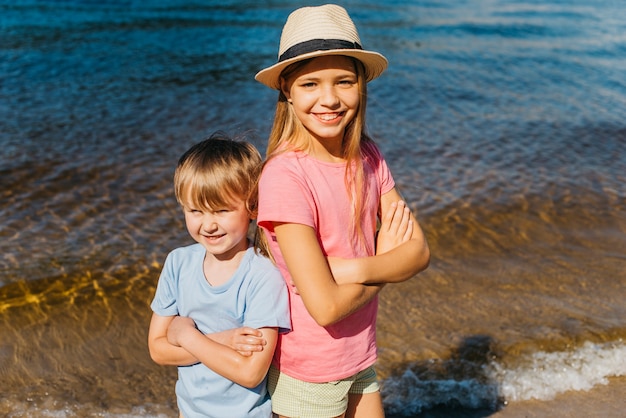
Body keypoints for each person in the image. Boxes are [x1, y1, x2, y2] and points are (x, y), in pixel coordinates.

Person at [254, 4, 431, 418]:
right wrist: (383, 263)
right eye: (310, 84)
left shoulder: (368, 157)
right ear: (287, 91)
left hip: (359, 354)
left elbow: (418, 254)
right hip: (309, 370)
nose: (329, 98)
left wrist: (351, 269)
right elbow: (326, 307)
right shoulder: (285, 176)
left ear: (361, 86)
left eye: (344, 81)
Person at [147, 133, 291, 418]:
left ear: (252, 207)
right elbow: (158, 350)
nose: (208, 224)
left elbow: (250, 373)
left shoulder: (263, 275)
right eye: (195, 211)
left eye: (222, 210)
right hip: (189, 412)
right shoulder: (178, 263)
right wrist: (224, 340)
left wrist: (184, 333)